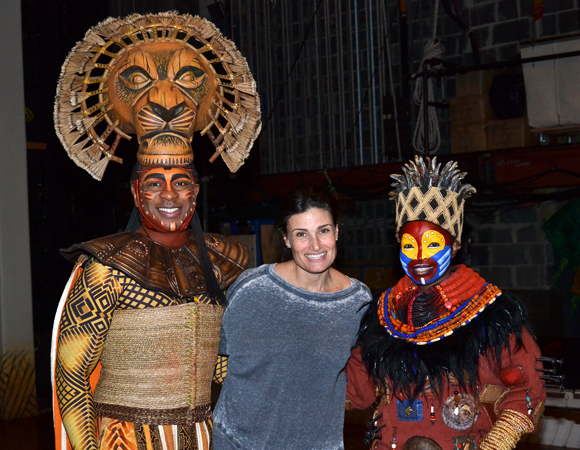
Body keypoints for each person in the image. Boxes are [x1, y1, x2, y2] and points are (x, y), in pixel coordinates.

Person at [51, 12, 261, 450]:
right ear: (135, 193)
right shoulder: (105, 269)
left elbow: (222, 364)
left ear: (196, 191)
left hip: (202, 438)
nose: (170, 194)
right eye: (154, 182)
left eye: (181, 181)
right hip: (123, 441)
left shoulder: (226, 264)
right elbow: (71, 378)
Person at [345, 156, 546, 450]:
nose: (420, 257)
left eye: (433, 245)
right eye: (409, 246)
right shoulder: (382, 316)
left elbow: (528, 387)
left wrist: (497, 442)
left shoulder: (491, 314)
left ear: (454, 245)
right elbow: (357, 392)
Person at [213, 188, 372, 450]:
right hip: (238, 443)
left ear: (337, 232)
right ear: (286, 239)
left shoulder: (357, 302)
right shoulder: (252, 290)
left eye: (323, 231)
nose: (315, 246)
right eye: (301, 235)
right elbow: (210, 357)